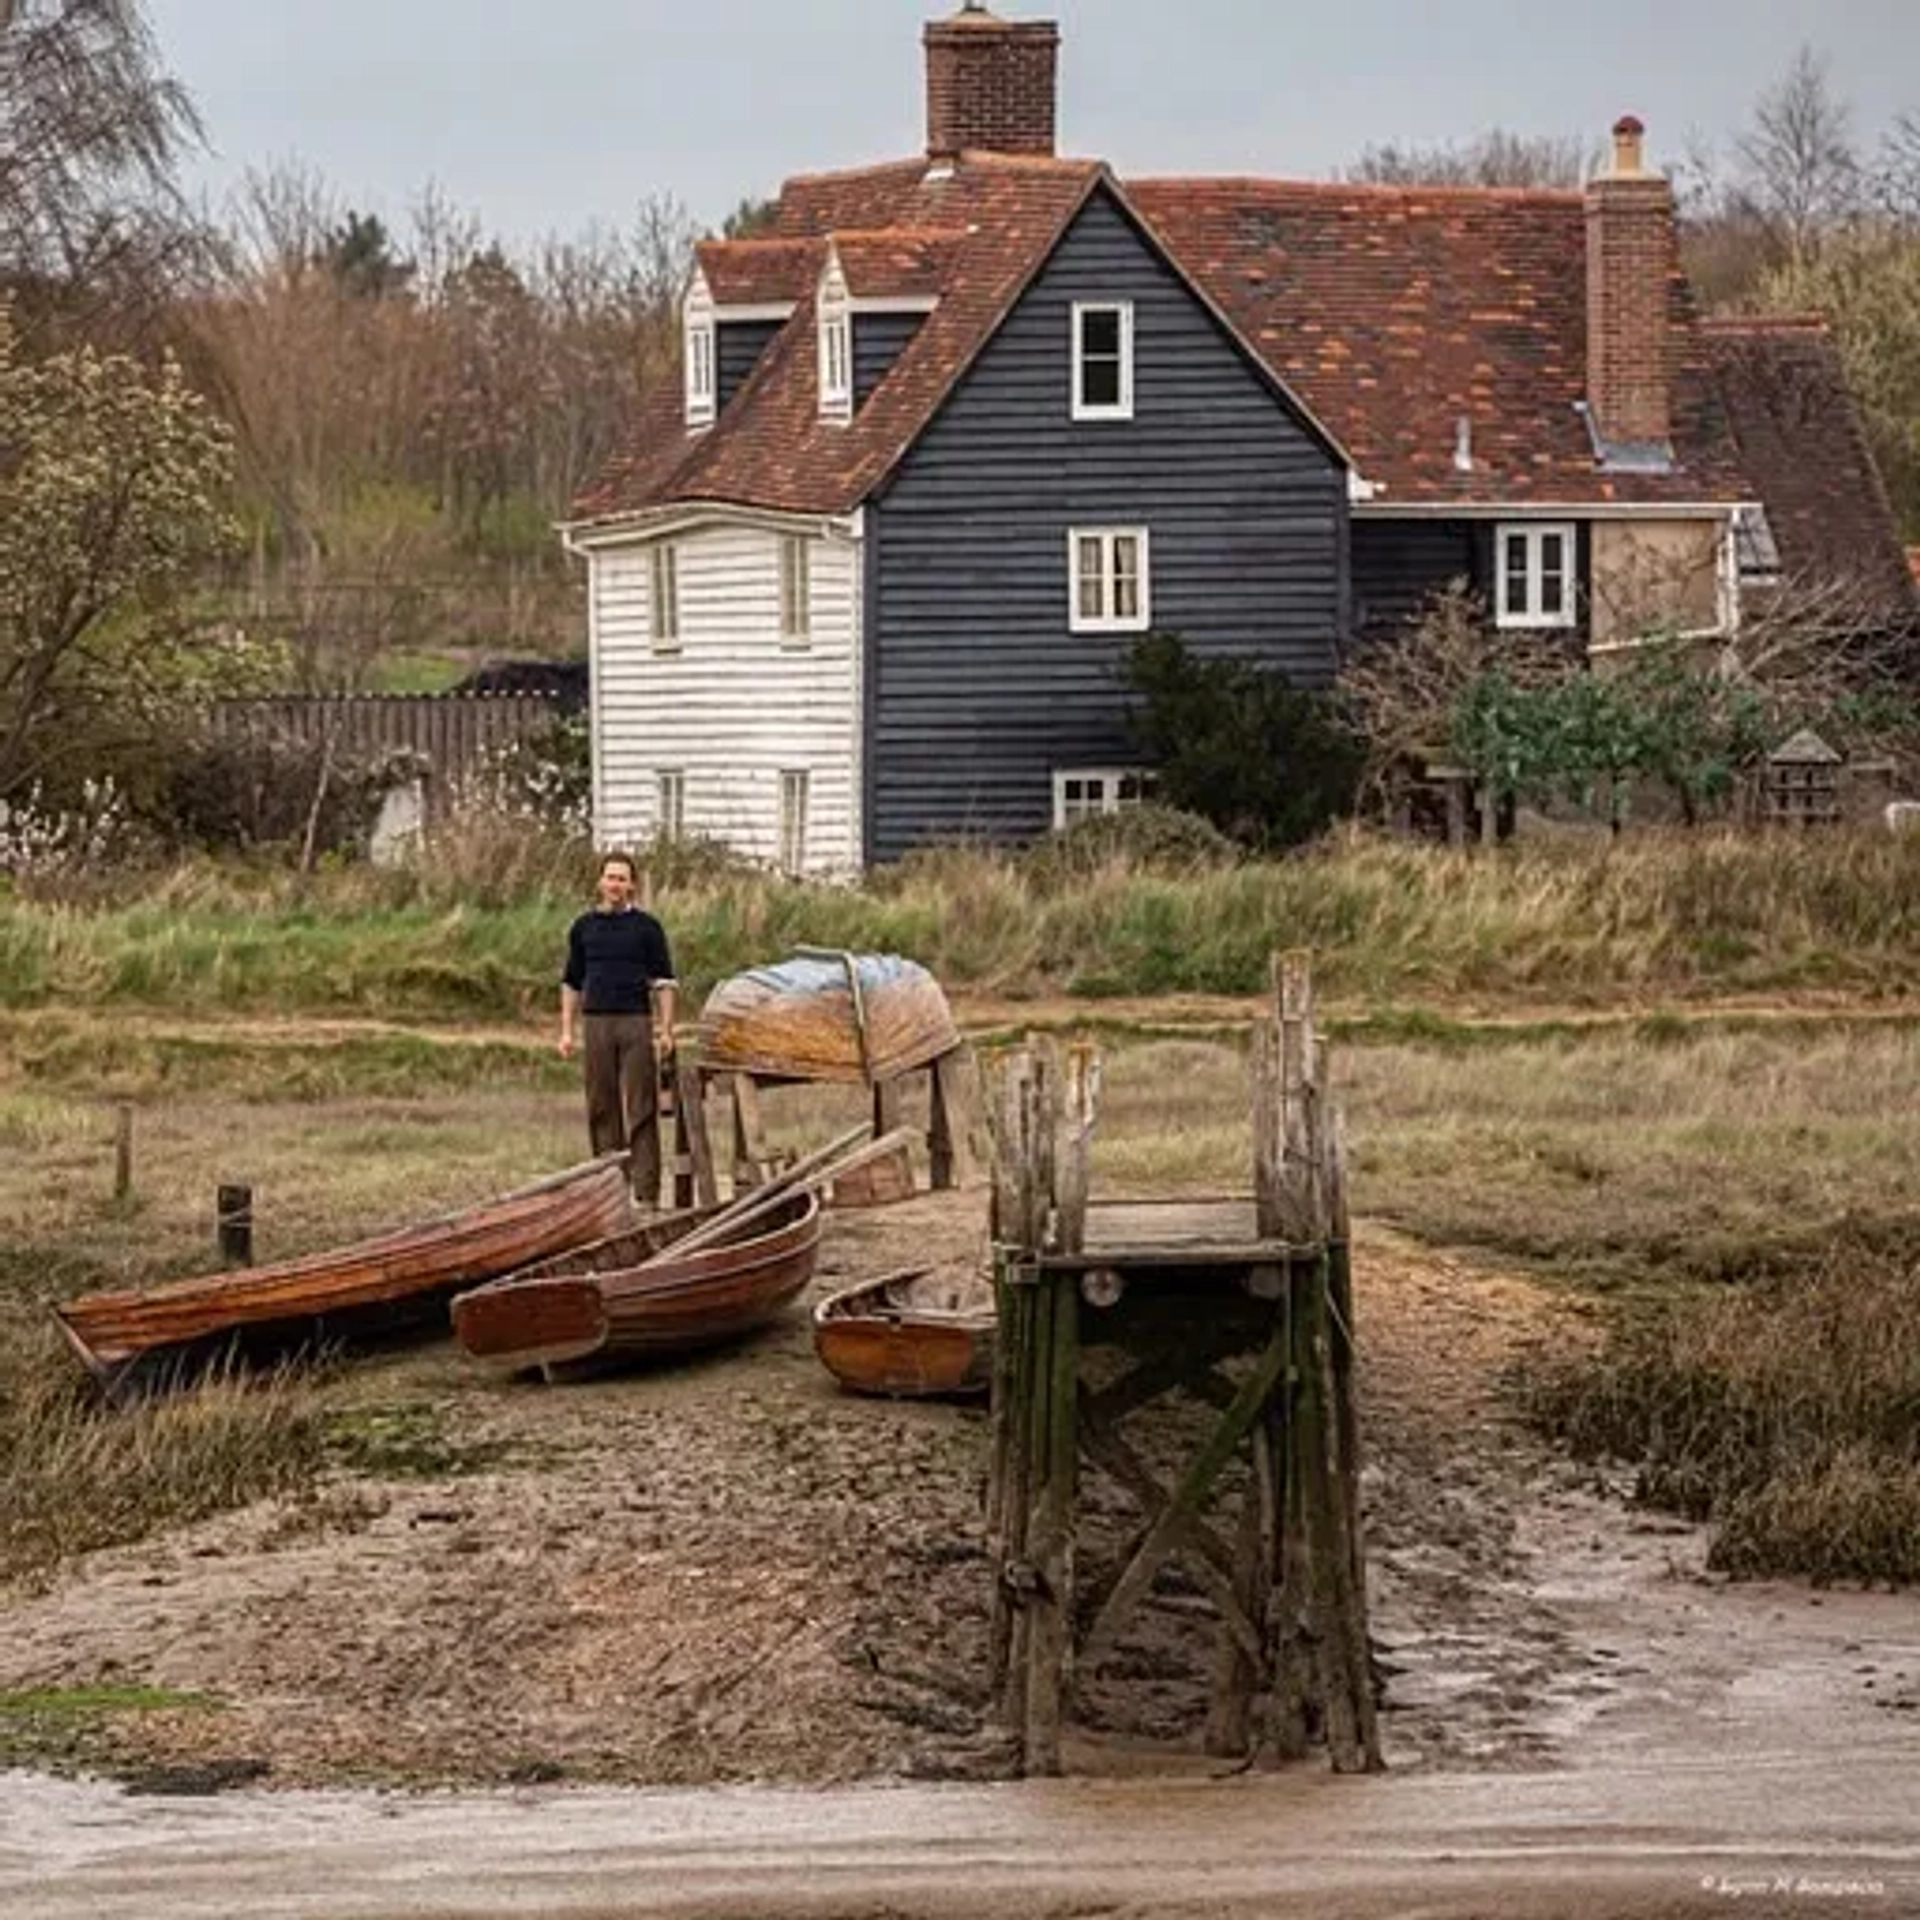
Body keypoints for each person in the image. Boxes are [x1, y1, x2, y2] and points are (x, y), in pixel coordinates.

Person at [558, 852, 677, 1202]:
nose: (616, 885)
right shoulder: (583, 927)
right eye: (610, 877)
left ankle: (646, 1192)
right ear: (600, 882)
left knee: (641, 1105)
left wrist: (666, 1029)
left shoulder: (648, 928)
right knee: (601, 1105)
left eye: (622, 879)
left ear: (632, 886)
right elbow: (571, 982)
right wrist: (566, 1030)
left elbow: (666, 982)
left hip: (636, 1022)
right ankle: (609, 1187)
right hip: (596, 1022)